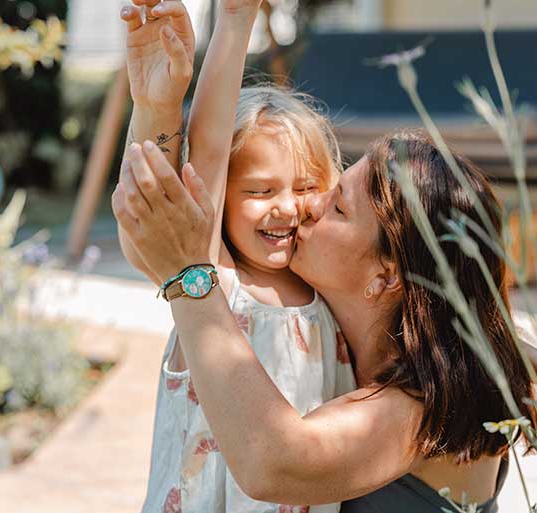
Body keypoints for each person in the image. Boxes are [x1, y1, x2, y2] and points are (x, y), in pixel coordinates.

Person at [114, 1, 537, 510]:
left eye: (334, 203)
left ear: (386, 275)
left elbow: (274, 462)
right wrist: (161, 102)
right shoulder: (347, 323)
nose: (304, 207)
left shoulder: (423, 408)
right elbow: (191, 191)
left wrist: (190, 277)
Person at [116, 2, 354, 512]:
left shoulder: (331, 291)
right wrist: (236, 20)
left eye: (306, 186)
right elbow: (207, 147)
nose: (286, 207)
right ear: (222, 199)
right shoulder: (212, 280)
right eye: (261, 190)